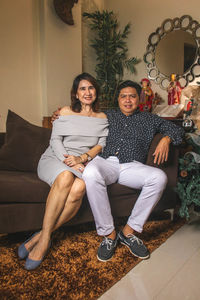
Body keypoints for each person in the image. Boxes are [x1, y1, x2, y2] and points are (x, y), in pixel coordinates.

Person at [81, 80, 184, 262]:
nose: (128, 100)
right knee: (90, 172)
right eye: (123, 96)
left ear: (139, 98)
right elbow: (82, 117)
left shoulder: (149, 119)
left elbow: (176, 129)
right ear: (118, 99)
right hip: (106, 162)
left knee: (159, 177)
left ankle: (128, 232)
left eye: (132, 96)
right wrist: (61, 115)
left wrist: (166, 139)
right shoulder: (107, 115)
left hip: (133, 166)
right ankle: (109, 234)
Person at [17, 72, 109, 270]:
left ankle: (42, 235)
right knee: (66, 176)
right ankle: (44, 243)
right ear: (75, 94)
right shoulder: (66, 112)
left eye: (91, 88)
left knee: (79, 188)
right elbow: (55, 140)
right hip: (56, 157)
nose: (87, 92)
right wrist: (70, 162)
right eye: (82, 88)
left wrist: (82, 159)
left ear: (96, 92)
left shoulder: (102, 118)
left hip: (80, 161)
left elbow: (101, 144)